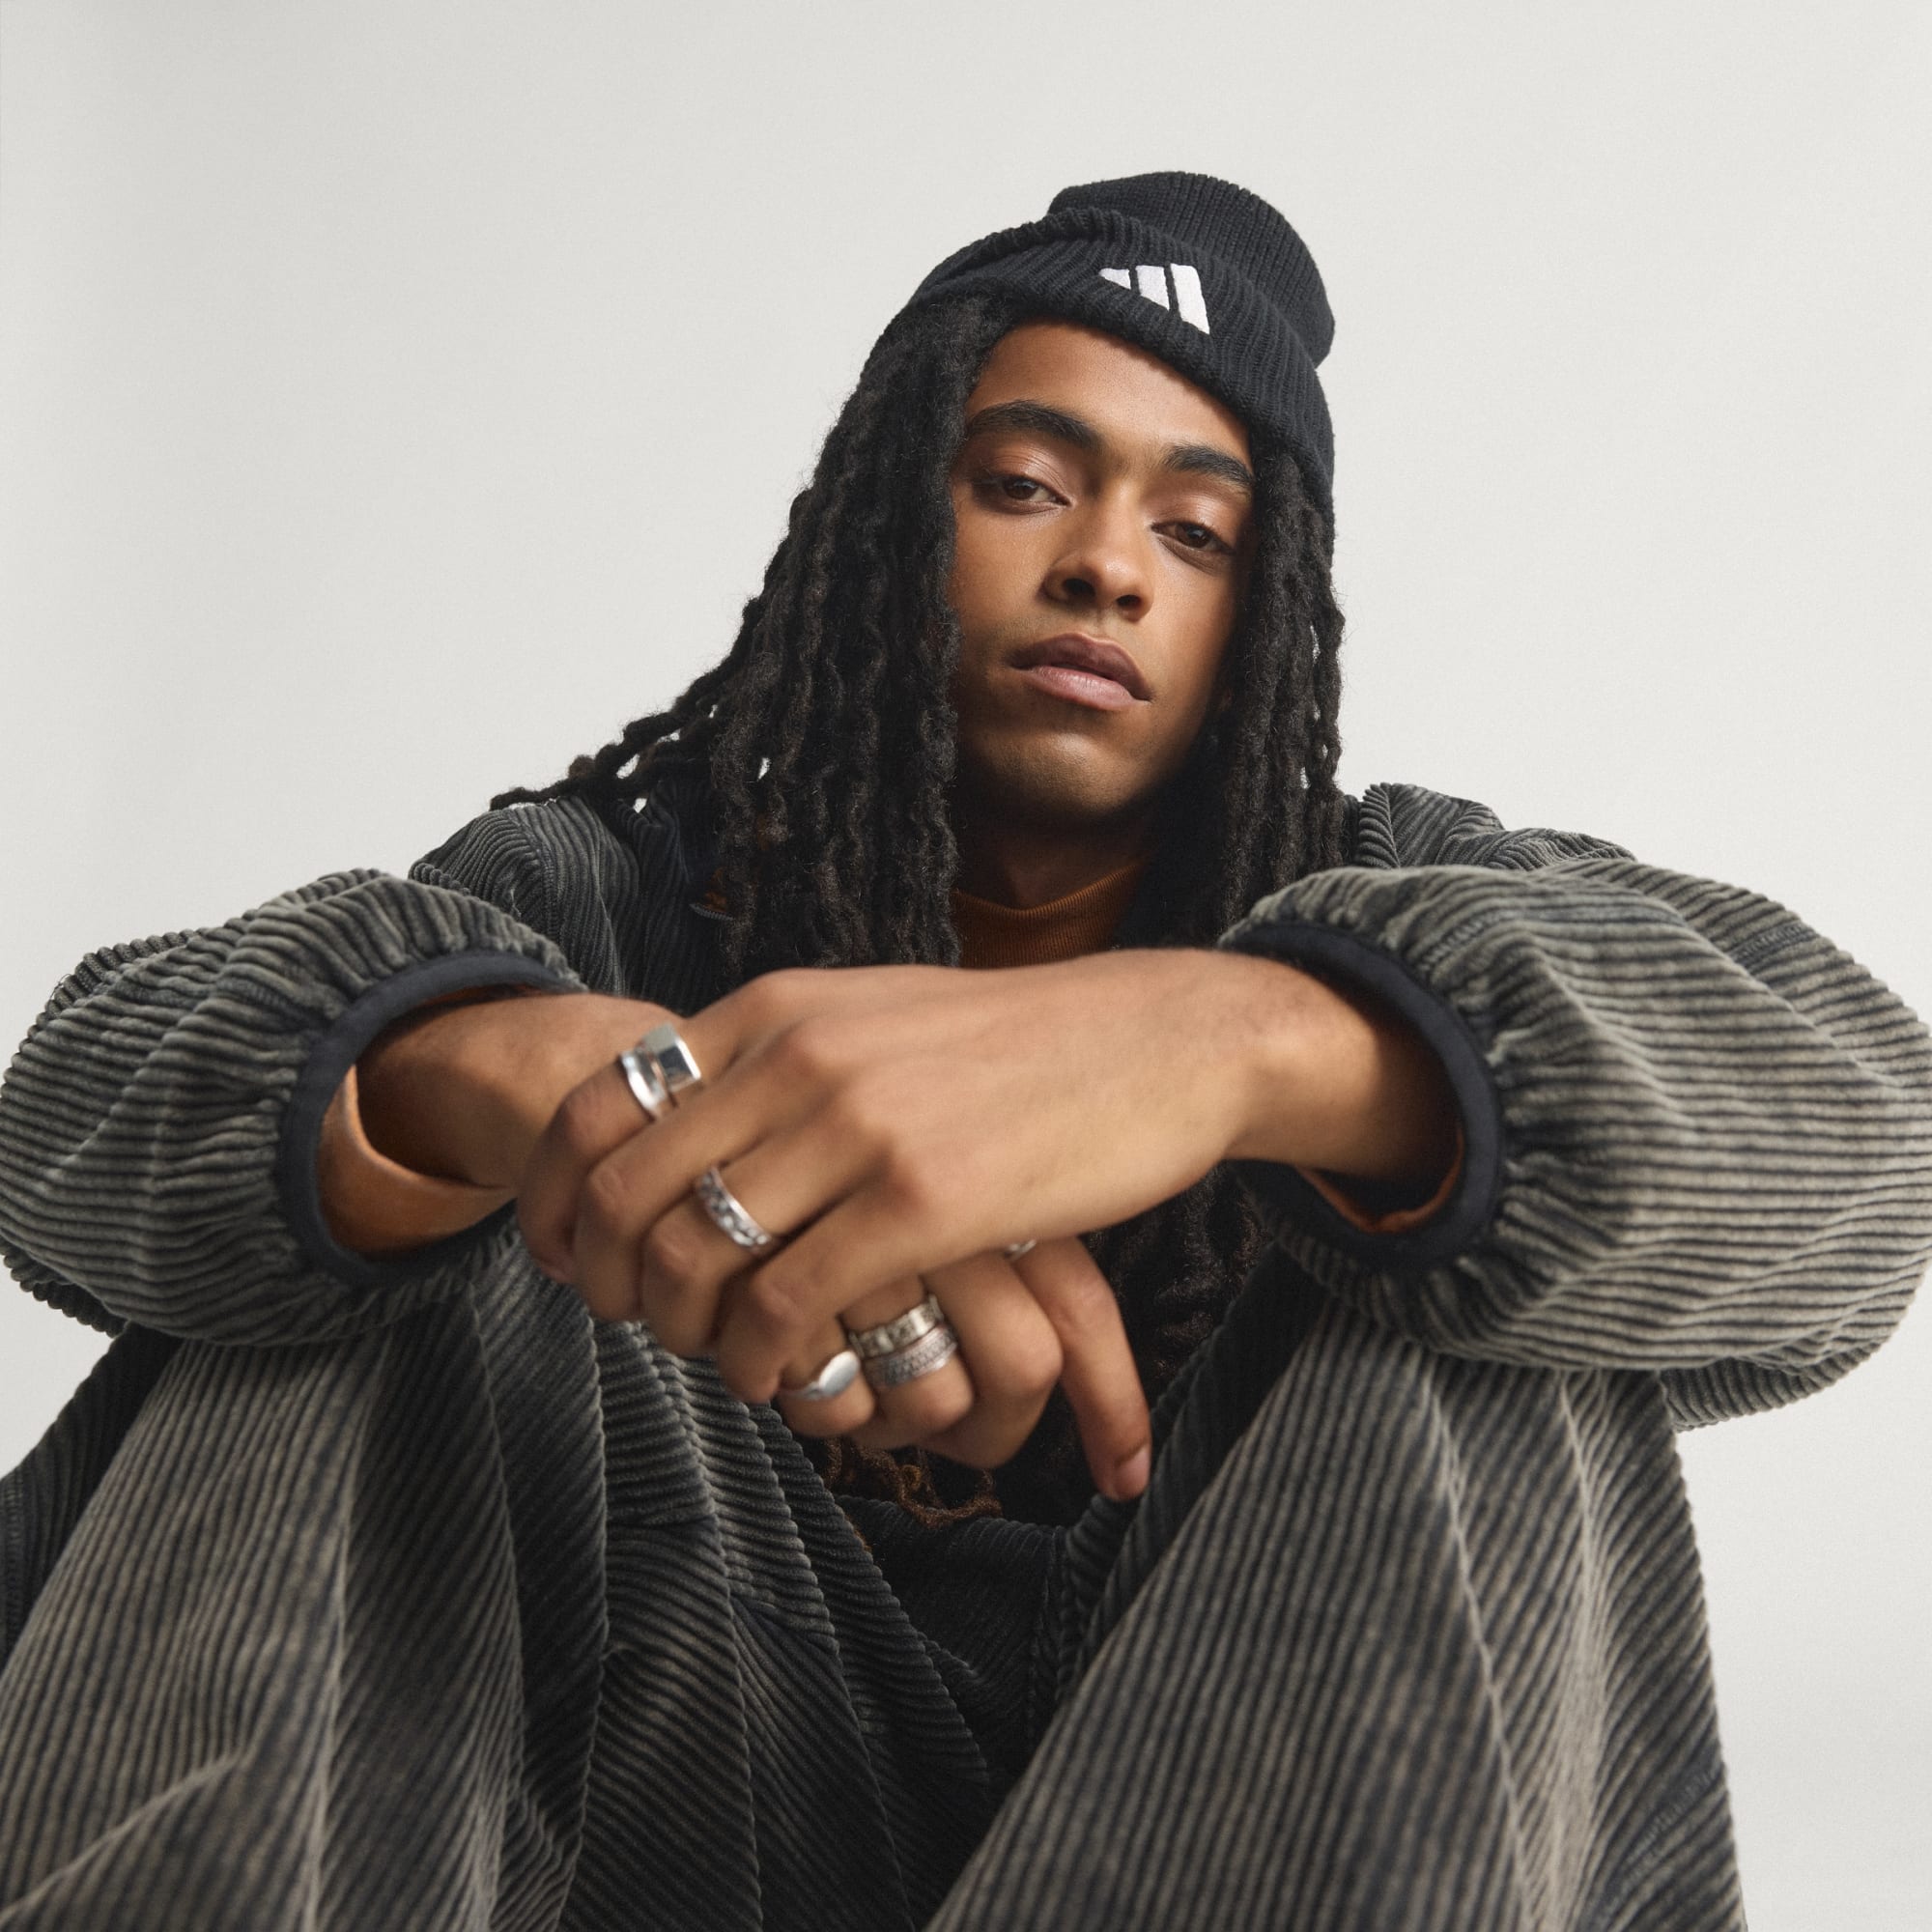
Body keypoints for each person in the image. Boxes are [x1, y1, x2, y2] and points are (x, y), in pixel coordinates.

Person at [0, 171, 1927, 1931]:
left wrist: (1242, 1042)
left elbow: (1868, 1148)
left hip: (1267, 1799)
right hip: (684, 1797)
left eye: (1197, 528)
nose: (1108, 565)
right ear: (886, 518)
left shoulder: (1398, 892)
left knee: (1480, 1278)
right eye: (1023, 484)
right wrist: (516, 1083)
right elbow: (59, 1128)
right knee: (390, 1219)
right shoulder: (594, 895)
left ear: (1266, 615)